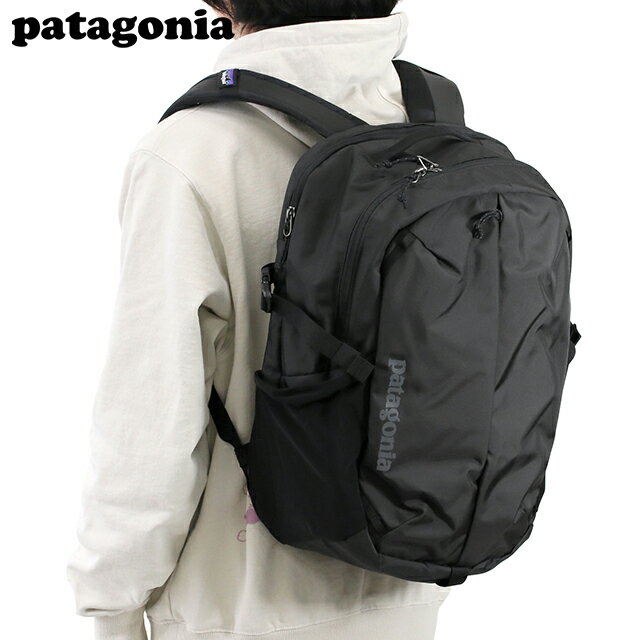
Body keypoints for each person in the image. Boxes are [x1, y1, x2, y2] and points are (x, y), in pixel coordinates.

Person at [67, 2, 450, 639]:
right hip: (410, 591)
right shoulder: (429, 129)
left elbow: (149, 422)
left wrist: (110, 605)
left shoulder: (193, 153)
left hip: (237, 609)